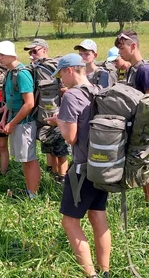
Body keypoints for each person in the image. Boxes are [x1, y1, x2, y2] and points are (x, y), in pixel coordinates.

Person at [46, 54, 110, 278]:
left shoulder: (72, 95)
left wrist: (59, 122)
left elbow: (71, 138)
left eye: (61, 74)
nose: (61, 80)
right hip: (103, 165)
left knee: (70, 221)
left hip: (83, 168)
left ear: (70, 70)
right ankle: (105, 271)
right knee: (98, 216)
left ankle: (90, 275)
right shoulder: (97, 90)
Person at [115, 30, 149, 202]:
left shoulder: (145, 70)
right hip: (135, 127)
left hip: (145, 129)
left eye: (122, 47)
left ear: (133, 46)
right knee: (142, 169)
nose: (119, 51)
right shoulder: (132, 69)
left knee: (147, 171)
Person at [0, 41, 41, 198]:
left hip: (24, 122)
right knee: (24, 159)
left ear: (11, 55)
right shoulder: (10, 73)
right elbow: (10, 99)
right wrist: (4, 119)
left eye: (1, 54)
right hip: (15, 120)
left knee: (29, 159)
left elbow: (29, 104)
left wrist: (12, 123)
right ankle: (30, 190)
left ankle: (33, 194)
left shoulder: (22, 74)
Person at [24, 38, 69, 182]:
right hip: (42, 117)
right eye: (30, 52)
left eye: (35, 51)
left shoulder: (54, 67)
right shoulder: (32, 69)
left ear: (45, 50)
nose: (32, 55)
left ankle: (62, 180)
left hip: (58, 116)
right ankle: (52, 176)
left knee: (61, 151)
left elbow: (66, 89)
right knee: (49, 149)